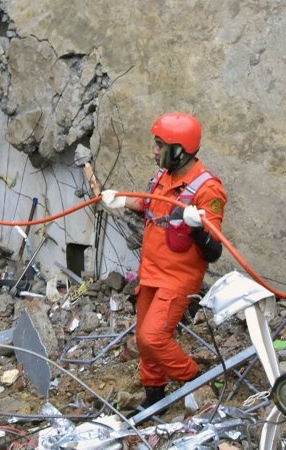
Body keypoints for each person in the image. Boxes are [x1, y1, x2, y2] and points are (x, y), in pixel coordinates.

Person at [100, 112, 226, 412]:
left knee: (153, 337)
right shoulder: (163, 177)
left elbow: (214, 251)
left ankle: (195, 377)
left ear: (179, 149)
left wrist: (196, 227)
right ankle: (154, 397)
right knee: (144, 342)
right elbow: (148, 206)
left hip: (178, 278)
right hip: (152, 272)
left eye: (159, 145)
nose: (154, 151)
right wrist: (120, 200)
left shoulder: (208, 190)